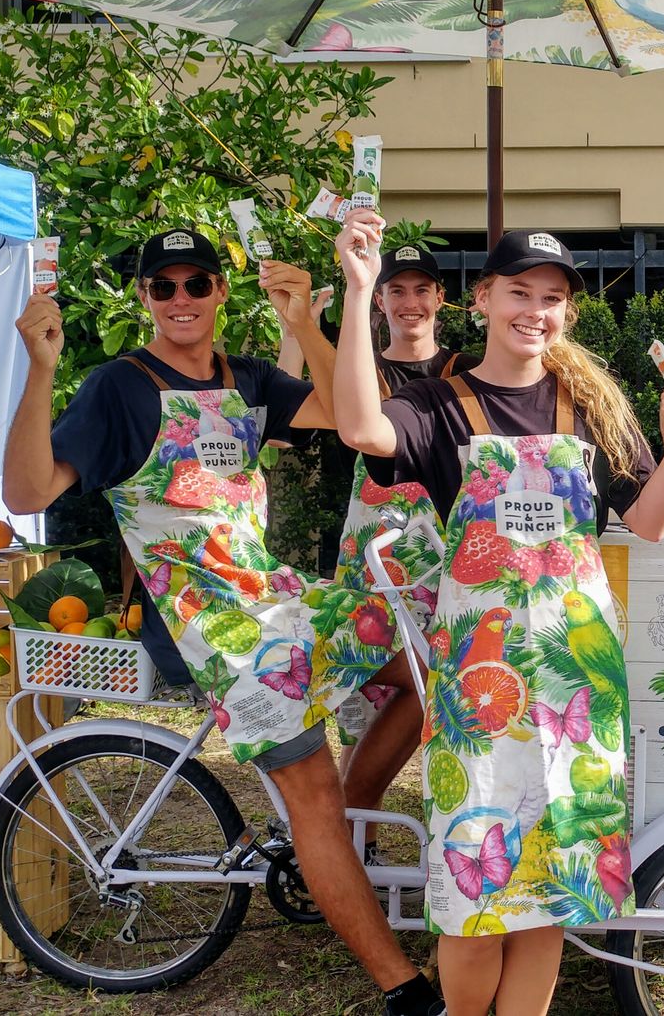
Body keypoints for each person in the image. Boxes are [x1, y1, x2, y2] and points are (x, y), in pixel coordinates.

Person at [1, 227, 442, 1016]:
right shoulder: (118, 386)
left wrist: (307, 320)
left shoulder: (246, 377)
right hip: (201, 623)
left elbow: (352, 418)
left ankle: (345, 824)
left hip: (273, 599)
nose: (179, 299)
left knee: (422, 658)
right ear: (143, 297)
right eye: (161, 286)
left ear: (217, 293)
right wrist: (40, 372)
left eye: (195, 283)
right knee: (307, 789)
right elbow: (28, 494)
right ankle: (404, 991)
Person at [333, 220, 664, 1016]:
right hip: (480, 691)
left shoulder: (591, 404)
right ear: (481, 299)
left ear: (567, 312)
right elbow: (360, 429)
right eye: (518, 292)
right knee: (476, 889)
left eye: (551, 298)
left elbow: (647, 521)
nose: (534, 310)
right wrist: (360, 289)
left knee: (557, 886)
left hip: (578, 683)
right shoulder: (435, 404)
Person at [279, 242, 464, 872]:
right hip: (377, 553)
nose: (409, 303)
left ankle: (425, 833)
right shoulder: (356, 365)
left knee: (443, 693)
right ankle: (357, 847)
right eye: (396, 290)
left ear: (441, 299)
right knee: (367, 696)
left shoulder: (464, 372)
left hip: (448, 553)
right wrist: (300, 326)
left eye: (421, 290)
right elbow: (312, 414)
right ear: (379, 301)